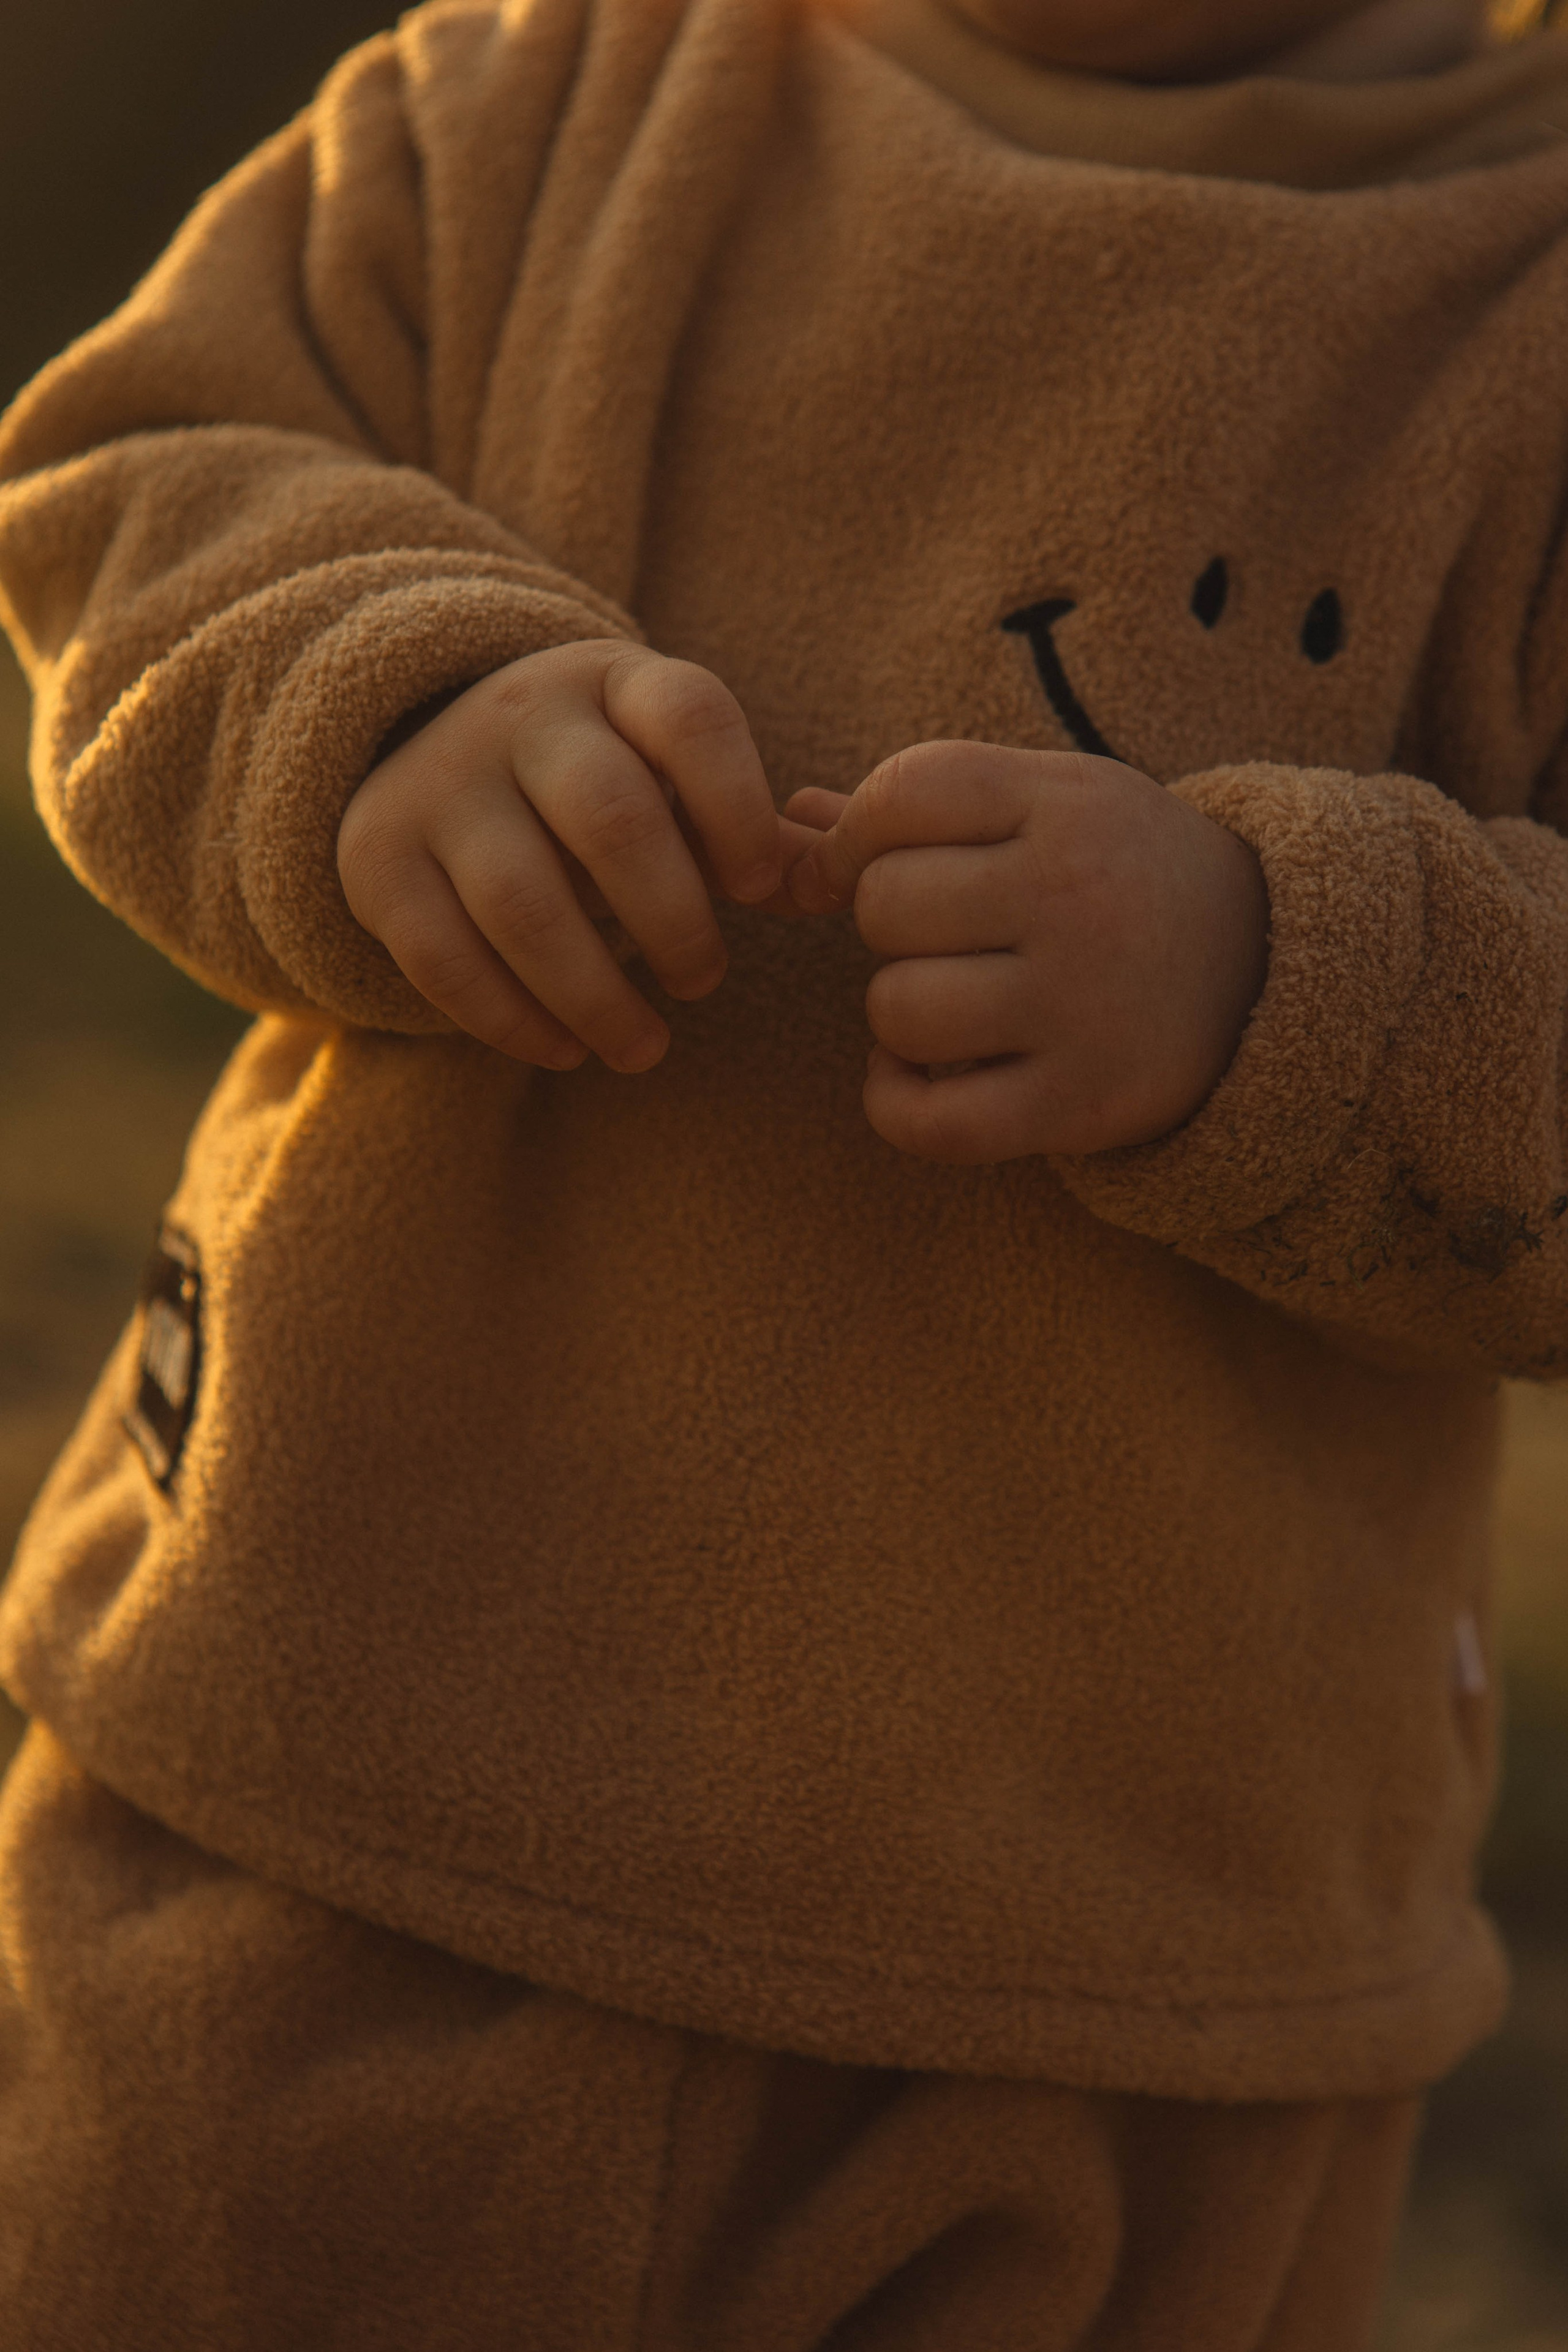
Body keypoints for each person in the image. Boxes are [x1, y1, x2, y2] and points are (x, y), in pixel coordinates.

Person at [0, 0, 1564, 2340]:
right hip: (308, 1854)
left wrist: (1283, 981)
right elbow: (137, 470)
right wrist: (389, 695)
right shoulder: (541, 94)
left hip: (1124, 2032)